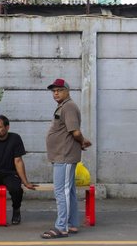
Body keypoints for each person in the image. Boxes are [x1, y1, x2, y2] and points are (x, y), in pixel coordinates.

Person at [41, 78, 91, 239]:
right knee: (68, 192)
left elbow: (75, 131)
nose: (56, 93)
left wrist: (81, 141)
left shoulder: (68, 107)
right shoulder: (64, 106)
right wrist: (82, 142)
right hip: (62, 155)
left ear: (67, 91)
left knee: (62, 192)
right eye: (54, 91)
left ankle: (61, 227)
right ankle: (72, 224)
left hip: (65, 156)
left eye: (59, 90)